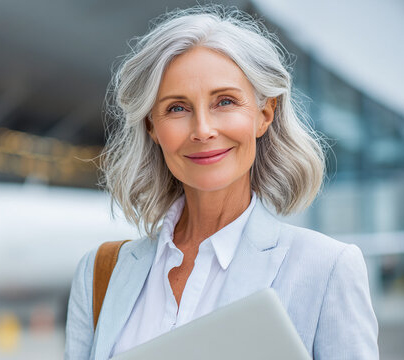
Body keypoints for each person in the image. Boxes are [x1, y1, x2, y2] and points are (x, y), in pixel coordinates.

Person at [64, 5, 378, 360]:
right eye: (177, 108)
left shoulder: (326, 269)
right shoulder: (100, 274)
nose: (203, 130)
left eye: (225, 101)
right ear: (151, 126)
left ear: (264, 114)